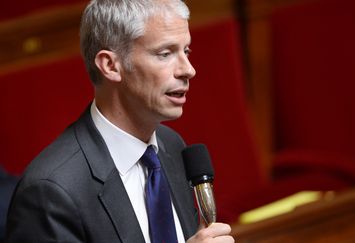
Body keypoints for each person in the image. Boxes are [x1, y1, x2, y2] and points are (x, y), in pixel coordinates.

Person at [6, 0, 234, 242]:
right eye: (165, 54)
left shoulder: (172, 146)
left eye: (185, 51)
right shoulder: (50, 192)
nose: (188, 70)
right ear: (110, 65)